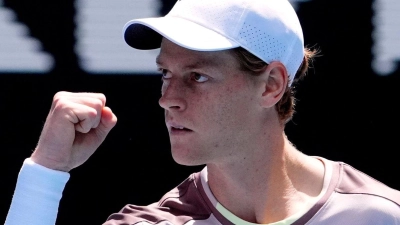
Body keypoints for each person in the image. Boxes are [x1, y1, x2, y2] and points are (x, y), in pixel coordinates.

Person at [5, 0, 400, 224]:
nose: (167, 98)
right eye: (165, 73)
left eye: (196, 76)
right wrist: (45, 171)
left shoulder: (380, 215)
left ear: (271, 85)